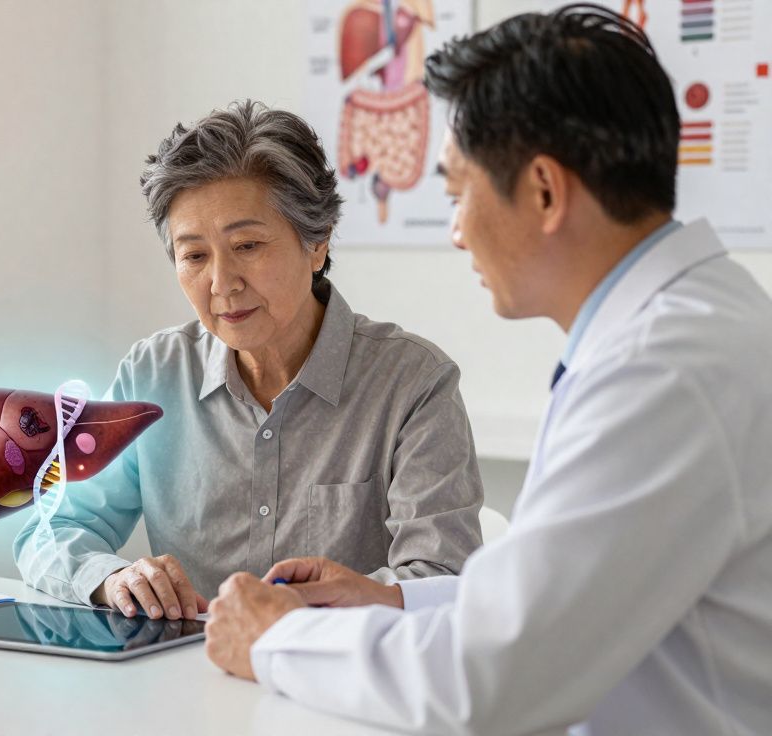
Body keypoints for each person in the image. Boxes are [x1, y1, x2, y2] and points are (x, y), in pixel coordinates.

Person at [204, 6, 772, 734]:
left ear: (544, 191)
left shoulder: (662, 373)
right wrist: (395, 600)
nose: (456, 231)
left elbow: (490, 679)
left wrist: (276, 640)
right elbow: (562, 599)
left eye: (456, 193)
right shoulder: (688, 327)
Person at [14, 100, 483, 621]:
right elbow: (52, 529)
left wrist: (296, 611)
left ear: (317, 243)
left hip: (342, 666)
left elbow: (440, 579)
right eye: (195, 255)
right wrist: (112, 578)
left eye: (248, 245)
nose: (222, 283)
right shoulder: (153, 375)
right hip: (185, 666)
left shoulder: (414, 384)